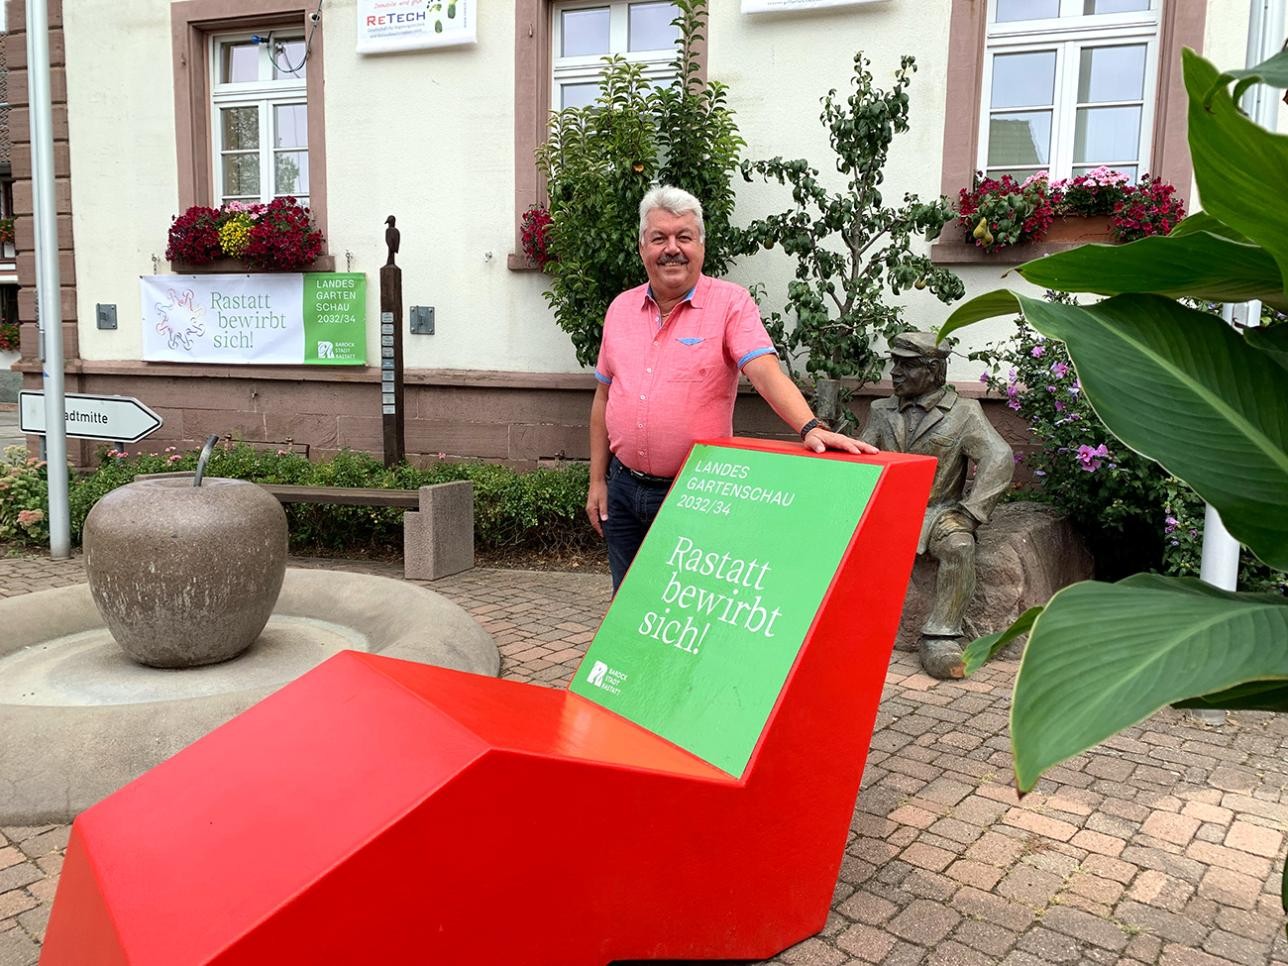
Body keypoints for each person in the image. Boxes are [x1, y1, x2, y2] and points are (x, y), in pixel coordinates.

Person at [586, 185, 877, 590]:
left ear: (701, 246)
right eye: (659, 238)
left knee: (685, 606)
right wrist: (597, 481)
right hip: (621, 489)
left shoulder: (730, 304)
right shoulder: (620, 309)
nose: (672, 248)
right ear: (642, 249)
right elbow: (603, 398)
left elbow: (764, 372)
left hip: (694, 494)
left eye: (683, 237)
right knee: (626, 604)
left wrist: (810, 428)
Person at [859, 331, 1014, 678]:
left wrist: (971, 513)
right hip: (888, 508)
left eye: (906, 365)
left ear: (933, 370)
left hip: (938, 512)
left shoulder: (964, 413)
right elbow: (863, 455)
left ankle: (940, 637)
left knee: (959, 546)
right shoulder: (880, 410)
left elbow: (998, 457)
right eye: (894, 362)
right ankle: (853, 624)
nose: (895, 371)